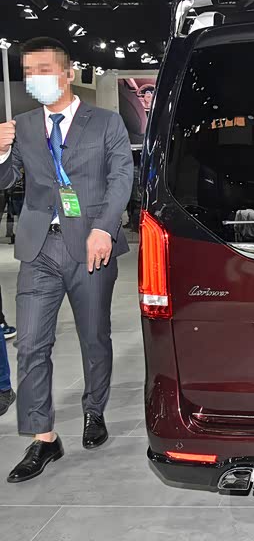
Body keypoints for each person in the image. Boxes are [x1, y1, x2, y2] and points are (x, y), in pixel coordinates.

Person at [0, 37, 134, 483]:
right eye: (28, 72)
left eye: (43, 69)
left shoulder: (107, 122)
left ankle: (94, 409)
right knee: (30, 344)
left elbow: (121, 177)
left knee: (94, 337)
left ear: (68, 73)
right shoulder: (22, 125)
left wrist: (105, 227)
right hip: (39, 247)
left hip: (92, 247)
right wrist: (1, 152)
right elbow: (6, 181)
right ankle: (43, 437)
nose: (34, 78)